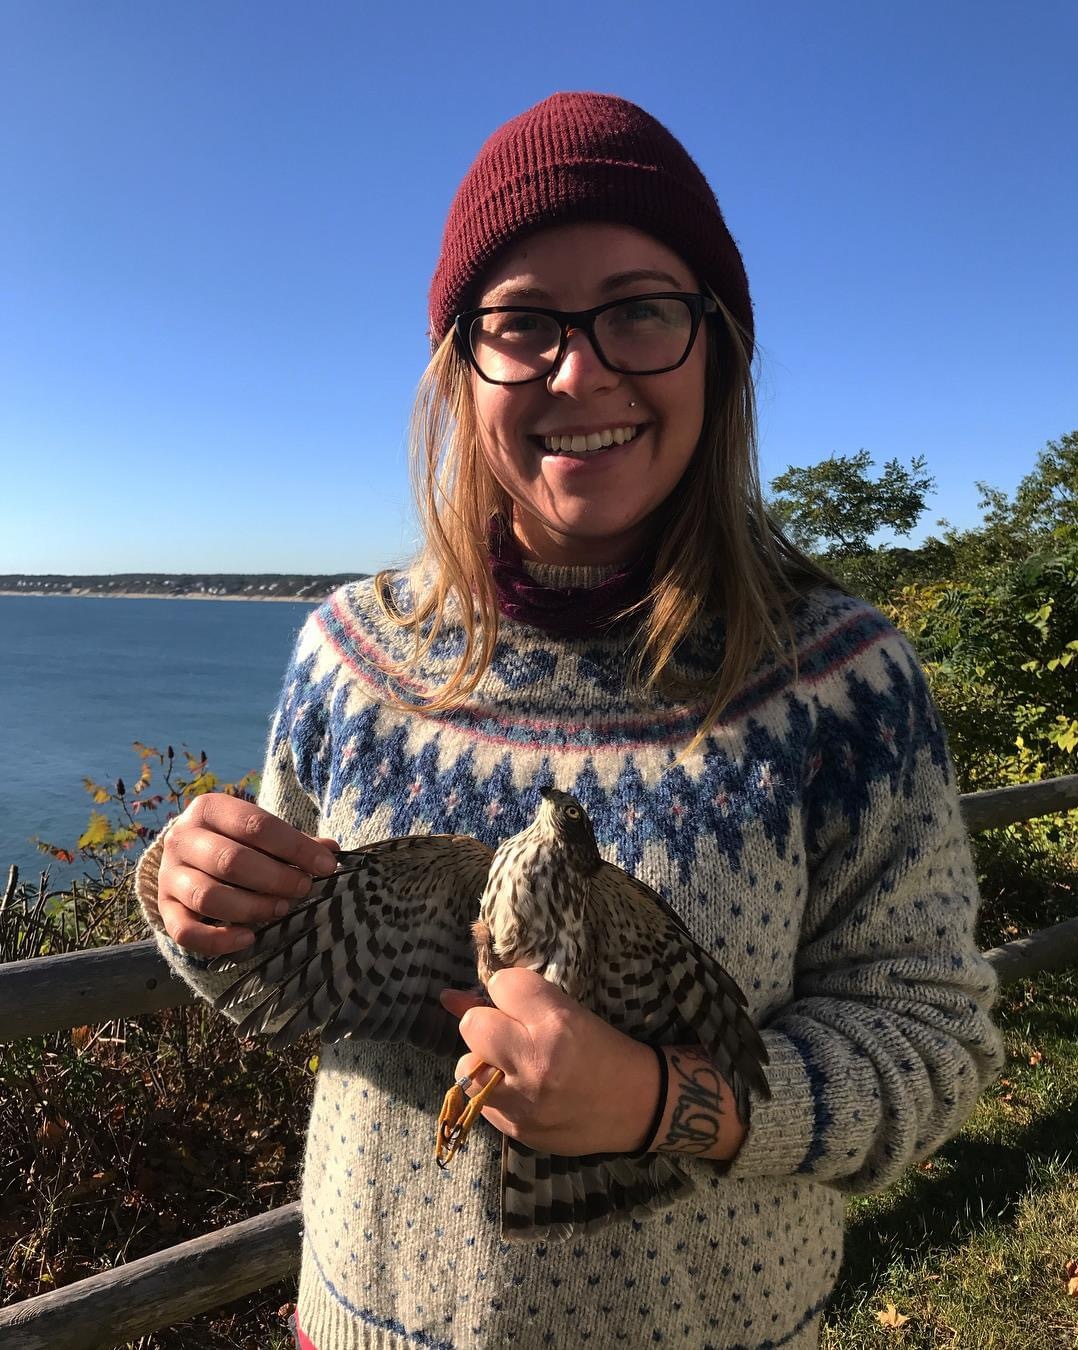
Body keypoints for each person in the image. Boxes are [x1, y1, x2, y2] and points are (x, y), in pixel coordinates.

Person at [135, 91, 1004, 1349]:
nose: (580, 370)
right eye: (524, 321)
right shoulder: (350, 654)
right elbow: (291, 974)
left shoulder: (842, 681)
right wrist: (200, 898)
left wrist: (660, 1102)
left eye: (641, 310)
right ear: (462, 365)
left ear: (718, 348)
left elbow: (929, 1041)